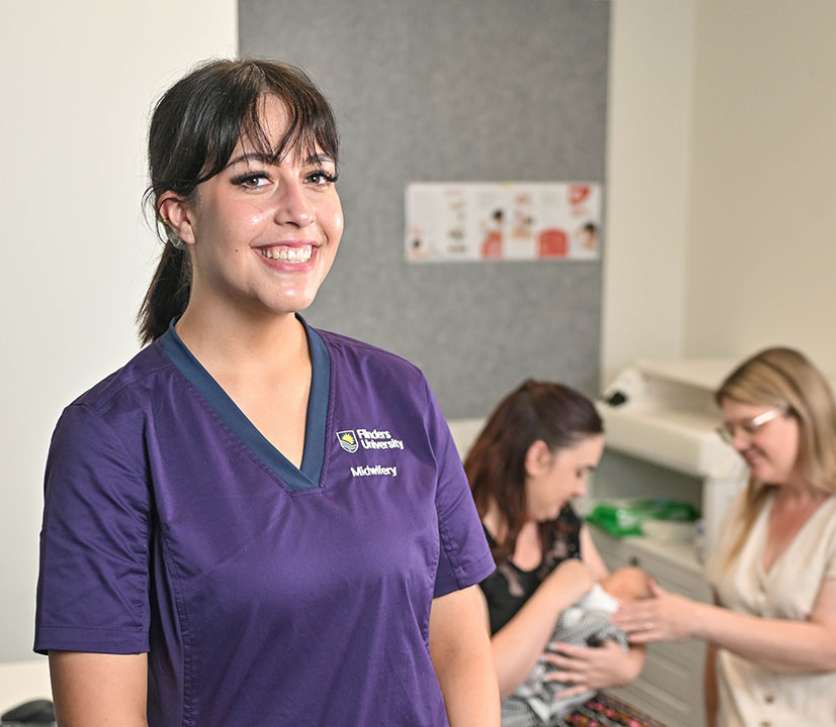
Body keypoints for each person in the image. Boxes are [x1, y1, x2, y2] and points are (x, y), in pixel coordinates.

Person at [33, 59, 499, 726]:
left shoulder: (398, 392)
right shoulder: (112, 433)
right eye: (254, 178)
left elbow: (457, 643)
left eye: (317, 176)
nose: (299, 210)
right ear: (180, 216)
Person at [610, 347, 836, 727]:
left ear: (806, 417)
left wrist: (694, 619)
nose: (739, 444)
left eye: (752, 426)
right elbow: (723, 637)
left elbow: (832, 647)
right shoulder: (749, 505)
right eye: (730, 431)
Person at [465, 380, 647, 721]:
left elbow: (621, 608)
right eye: (579, 472)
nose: (580, 490)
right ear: (538, 458)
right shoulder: (459, 540)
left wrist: (629, 665)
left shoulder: (561, 525)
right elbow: (480, 684)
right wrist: (554, 594)